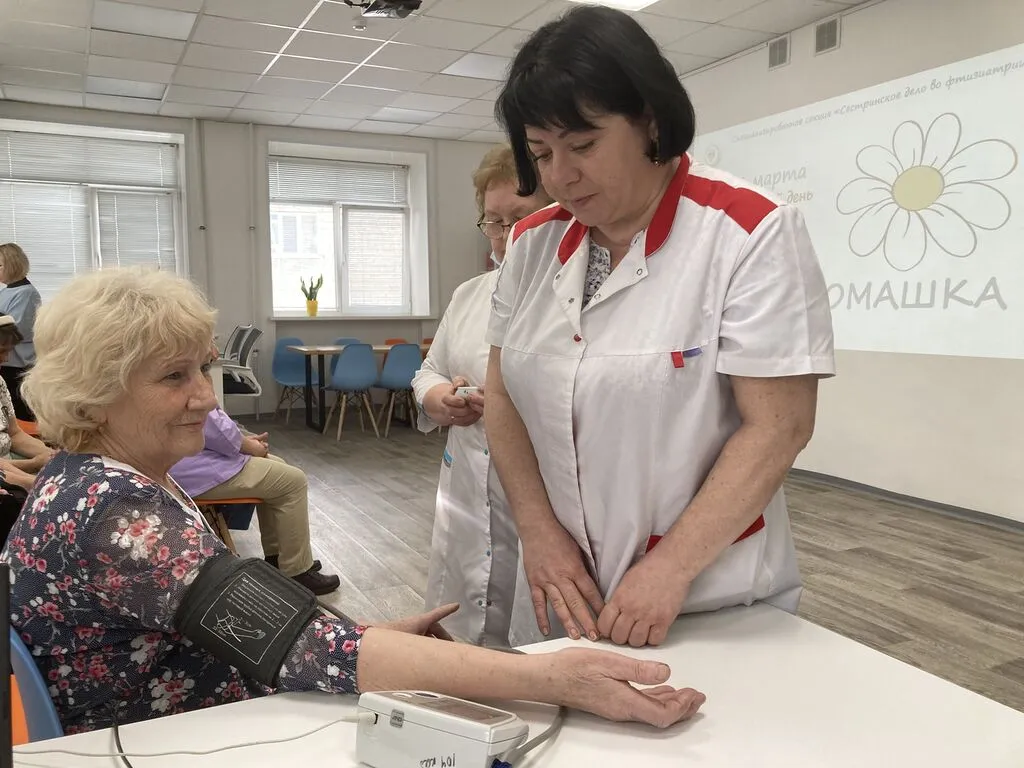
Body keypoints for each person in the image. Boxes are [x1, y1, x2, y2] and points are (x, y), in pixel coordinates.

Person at [1, 267, 705, 735]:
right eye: (174, 378)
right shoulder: (118, 516)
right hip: (164, 739)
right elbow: (302, 646)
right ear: (96, 392)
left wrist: (376, 636)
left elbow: (259, 627)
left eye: (203, 369)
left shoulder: (97, 478)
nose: (206, 398)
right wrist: (551, 679)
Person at [486, 5, 835, 649]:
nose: (560, 176)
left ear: (649, 119)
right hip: (561, 585)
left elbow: (779, 427)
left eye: (582, 146)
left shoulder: (750, 232)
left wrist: (670, 569)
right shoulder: (532, 243)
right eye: (541, 153)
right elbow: (502, 393)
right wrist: (537, 528)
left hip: (703, 596)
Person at [411, 146, 551, 646]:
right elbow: (428, 371)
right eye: (494, 221)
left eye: (522, 218)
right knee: (464, 629)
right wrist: (440, 398)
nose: (507, 235)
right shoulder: (469, 294)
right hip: (469, 481)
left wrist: (514, 408)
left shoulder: (576, 298)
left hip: (543, 495)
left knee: (535, 633)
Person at [170, 370, 342, 595]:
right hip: (193, 470)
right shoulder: (188, 376)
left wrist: (242, 440)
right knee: (293, 480)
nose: (214, 352)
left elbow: (217, 428)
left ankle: (279, 558)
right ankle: (297, 571)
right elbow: (216, 428)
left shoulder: (174, 374)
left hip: (191, 462)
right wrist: (249, 445)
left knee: (279, 468)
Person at [0, 316, 54, 541]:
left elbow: (14, 434)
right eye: (2, 351)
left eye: (8, 351)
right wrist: (33, 468)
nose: (6, 358)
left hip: (10, 465)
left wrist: (50, 455)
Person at [0, 243, 42, 420]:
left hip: (17, 367)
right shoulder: (5, 291)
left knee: (20, 416)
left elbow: (13, 331)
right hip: (6, 365)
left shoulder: (26, 293)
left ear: (12, 264)